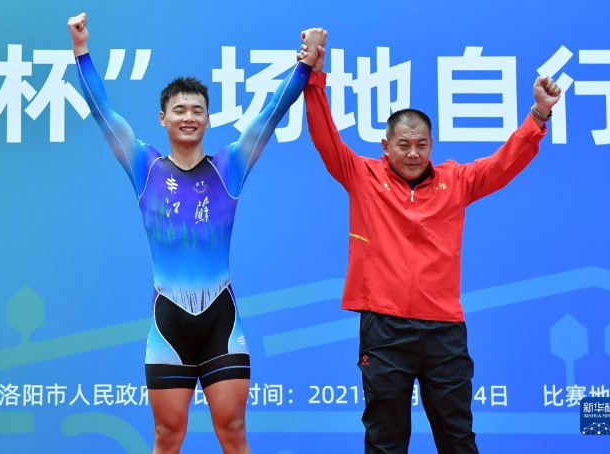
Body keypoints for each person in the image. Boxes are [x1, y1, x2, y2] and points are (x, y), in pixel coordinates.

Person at [68, 13, 324, 454]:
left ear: (207, 120)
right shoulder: (144, 167)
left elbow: (272, 113)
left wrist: (304, 64)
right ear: (163, 118)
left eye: (197, 111)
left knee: (233, 432)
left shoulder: (230, 166)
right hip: (168, 324)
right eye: (179, 110)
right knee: (167, 438)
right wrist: (81, 49)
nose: (189, 117)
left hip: (221, 320)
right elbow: (101, 111)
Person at [299, 34, 561, 453]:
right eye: (403, 145)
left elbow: (503, 164)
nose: (413, 153)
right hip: (385, 330)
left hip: (443, 331)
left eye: (421, 145)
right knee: (385, 440)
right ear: (386, 146)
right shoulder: (362, 177)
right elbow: (324, 135)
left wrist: (538, 115)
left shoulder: (456, 181)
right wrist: (314, 75)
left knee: (457, 438)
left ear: (432, 147)